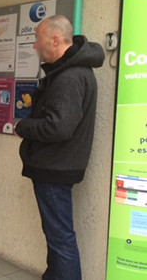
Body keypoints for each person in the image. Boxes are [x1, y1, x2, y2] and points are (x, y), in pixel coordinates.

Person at [14, 15, 104, 280]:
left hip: (55, 167)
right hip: (57, 165)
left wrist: (24, 126)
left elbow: (59, 127)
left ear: (55, 40)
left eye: (37, 39)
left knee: (60, 239)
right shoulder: (72, 72)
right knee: (57, 236)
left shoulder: (70, 77)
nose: (34, 46)